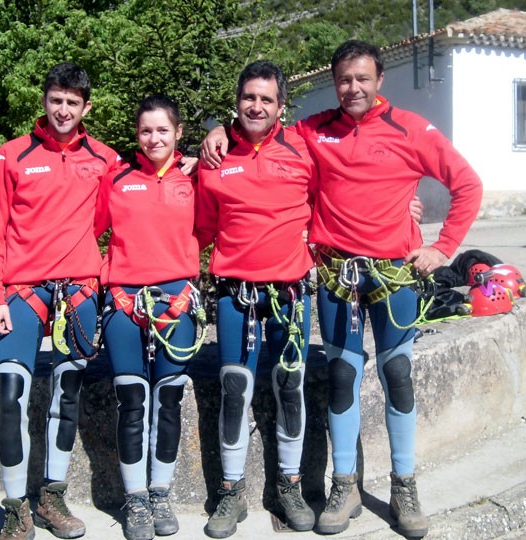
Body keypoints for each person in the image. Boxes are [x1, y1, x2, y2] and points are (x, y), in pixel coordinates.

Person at [201, 40, 483, 538]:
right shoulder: (314, 131)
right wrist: (220, 131)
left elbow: (467, 183)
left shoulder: (411, 129)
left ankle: (404, 484)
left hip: (394, 273)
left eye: (362, 79)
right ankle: (345, 484)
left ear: (379, 81)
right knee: (342, 379)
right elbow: (263, 138)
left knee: (398, 374)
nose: (353, 88)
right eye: (344, 80)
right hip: (336, 275)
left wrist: (444, 247)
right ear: (335, 83)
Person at [0, 62, 121, 540]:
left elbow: (113, 214)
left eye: (73, 102)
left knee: (68, 393)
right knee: (10, 393)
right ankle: (15, 506)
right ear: (44, 101)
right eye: (56, 100)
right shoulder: (11, 156)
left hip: (77, 290)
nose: (63, 110)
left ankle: (51, 496)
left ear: (86, 107)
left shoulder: (105, 158)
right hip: (21, 292)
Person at [195, 60, 318, 539]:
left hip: (289, 293)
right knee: (232, 391)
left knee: (291, 387)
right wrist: (211, 131)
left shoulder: (304, 150)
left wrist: (408, 207)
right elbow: (201, 227)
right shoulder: (215, 158)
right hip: (234, 293)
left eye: (267, 99)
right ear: (237, 100)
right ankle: (230, 491)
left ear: (281, 106)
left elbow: (352, 186)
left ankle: (289, 485)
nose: (257, 106)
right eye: (249, 97)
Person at [97, 95, 204, 540]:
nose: (154, 138)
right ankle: (135, 498)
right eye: (146, 130)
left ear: (178, 133)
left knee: (169, 399)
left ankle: (161, 492)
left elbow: (226, 223)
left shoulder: (197, 178)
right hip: (125, 301)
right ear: (136, 134)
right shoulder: (116, 178)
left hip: (176, 301)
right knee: (132, 399)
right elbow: (87, 228)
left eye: (163, 130)